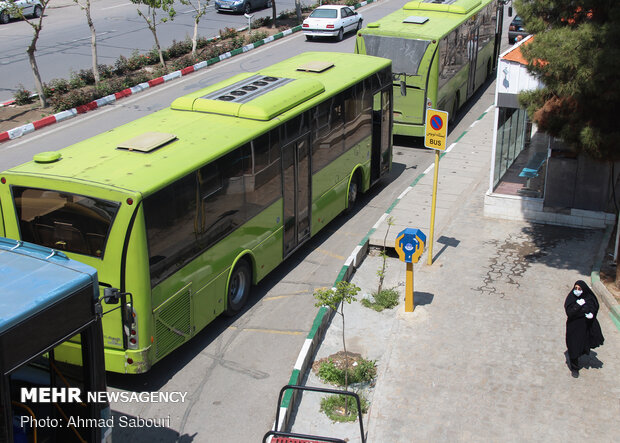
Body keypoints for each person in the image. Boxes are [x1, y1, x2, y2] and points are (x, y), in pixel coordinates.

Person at [564, 280, 604, 375]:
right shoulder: (571, 298)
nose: (577, 290)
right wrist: (578, 305)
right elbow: (569, 312)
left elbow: (593, 306)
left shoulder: (588, 297)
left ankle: (580, 354)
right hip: (573, 327)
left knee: (582, 344)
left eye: (579, 289)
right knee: (573, 346)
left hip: (584, 327)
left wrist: (591, 314)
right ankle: (574, 368)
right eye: (575, 288)